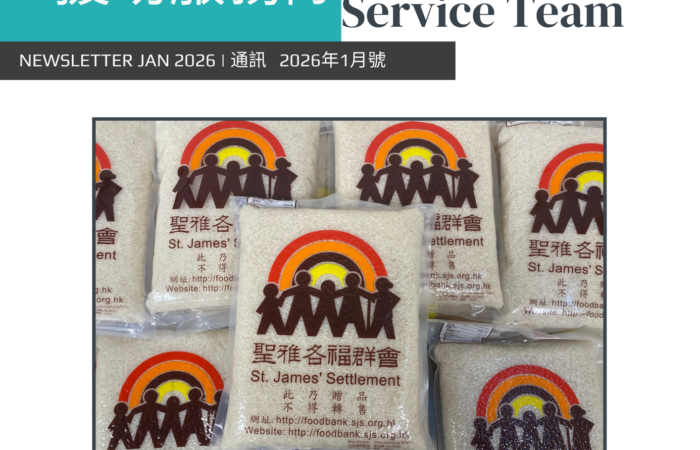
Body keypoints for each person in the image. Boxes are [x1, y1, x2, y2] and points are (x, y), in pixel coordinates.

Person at [278, 271, 321, 336]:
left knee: (292, 323)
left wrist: (280, 303)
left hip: (296, 307)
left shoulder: (297, 289)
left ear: (297, 280)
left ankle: (288, 332)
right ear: (309, 280)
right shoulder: (308, 289)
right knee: (309, 325)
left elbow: (285, 293)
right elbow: (320, 294)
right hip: (305, 307)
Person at [335, 272, 373, 338]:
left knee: (360, 328)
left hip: (353, 311)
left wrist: (372, 297)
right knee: (340, 328)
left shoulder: (354, 290)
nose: (351, 282)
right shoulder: (350, 290)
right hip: (348, 311)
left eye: (353, 281)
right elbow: (335, 294)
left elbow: (368, 295)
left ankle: (363, 336)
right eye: (350, 280)